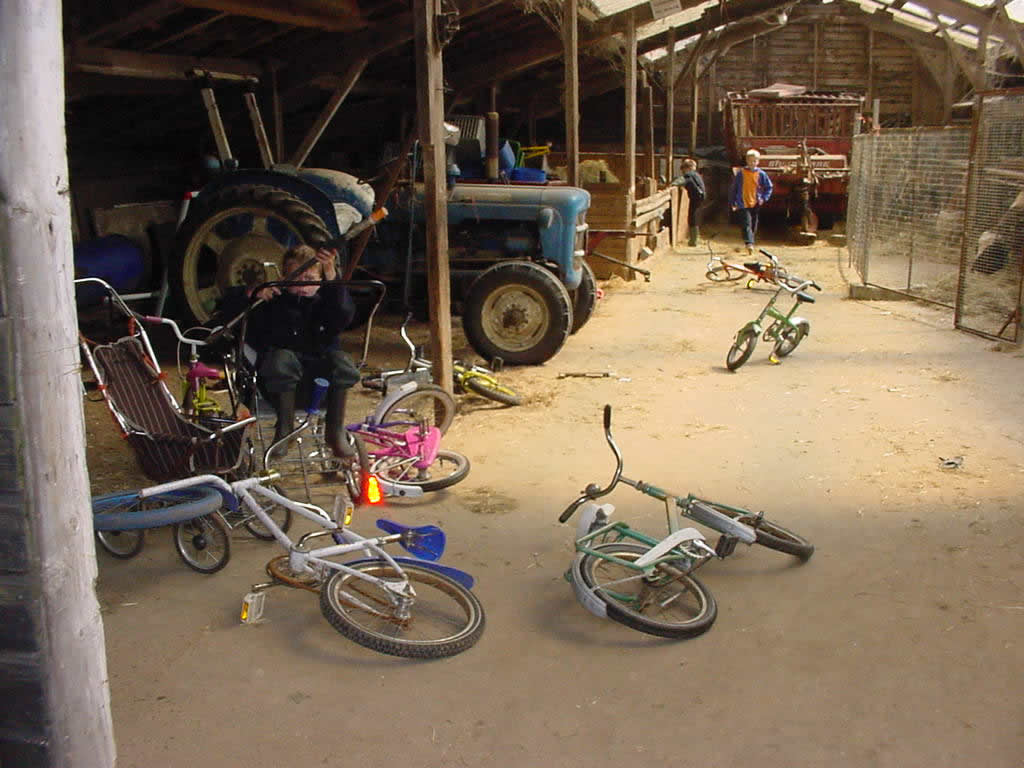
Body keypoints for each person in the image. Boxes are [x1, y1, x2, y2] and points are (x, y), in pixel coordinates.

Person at [217, 244, 359, 459]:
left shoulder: (326, 304)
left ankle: (335, 431)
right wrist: (252, 293)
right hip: (276, 387)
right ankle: (284, 431)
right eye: (297, 277)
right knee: (281, 359)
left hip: (319, 387)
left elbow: (344, 314)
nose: (303, 285)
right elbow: (223, 311)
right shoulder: (272, 302)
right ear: (284, 277)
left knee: (342, 360)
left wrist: (332, 278)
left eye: (310, 278)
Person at [730, 148, 774, 255]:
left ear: (758, 162)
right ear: (746, 161)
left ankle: (751, 240)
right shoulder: (741, 174)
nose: (752, 163)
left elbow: (769, 187)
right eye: (750, 161)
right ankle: (749, 243)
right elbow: (734, 188)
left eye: (754, 161)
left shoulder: (761, 174)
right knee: (746, 223)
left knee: (754, 223)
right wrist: (733, 201)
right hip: (742, 202)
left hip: (756, 202)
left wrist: (764, 198)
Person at [676, 158, 706, 247]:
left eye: (683, 169)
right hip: (700, 196)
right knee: (695, 216)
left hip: (696, 197)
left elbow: (682, 180)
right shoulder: (696, 175)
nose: (683, 172)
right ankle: (695, 238)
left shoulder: (689, 175)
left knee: (692, 217)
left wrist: (672, 185)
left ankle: (693, 240)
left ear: (687, 168)